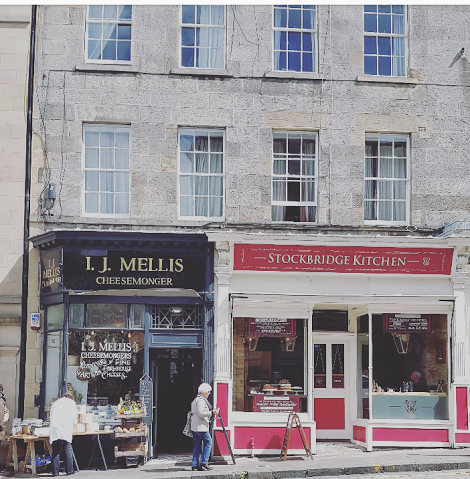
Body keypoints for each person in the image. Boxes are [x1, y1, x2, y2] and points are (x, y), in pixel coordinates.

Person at [190, 383, 219, 471]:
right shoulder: (201, 401)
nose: (209, 393)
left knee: (197, 446)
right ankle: (204, 462)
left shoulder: (196, 399)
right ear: (204, 391)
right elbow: (200, 413)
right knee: (208, 442)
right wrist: (212, 412)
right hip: (200, 426)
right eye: (208, 391)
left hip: (195, 426)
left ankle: (195, 464)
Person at [49, 393, 78, 476]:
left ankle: (55, 472)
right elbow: (74, 418)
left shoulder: (55, 403)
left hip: (55, 427)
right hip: (66, 426)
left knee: (55, 449)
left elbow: (50, 416)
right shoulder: (72, 403)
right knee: (67, 447)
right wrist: (75, 425)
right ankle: (69, 470)